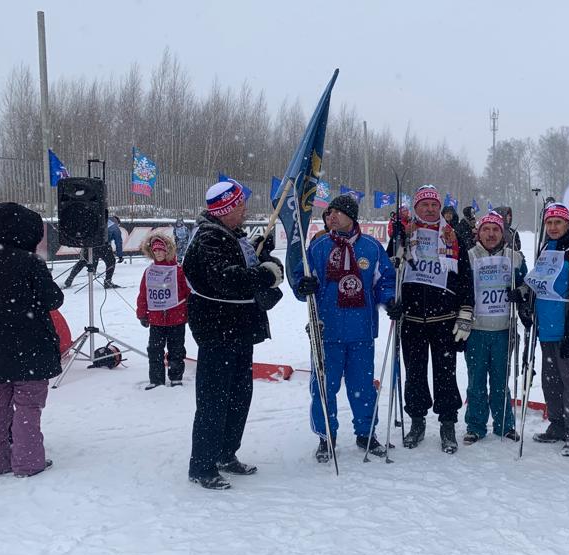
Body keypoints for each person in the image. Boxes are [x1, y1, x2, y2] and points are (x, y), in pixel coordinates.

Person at [182, 180, 284, 490]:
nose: (244, 211)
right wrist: (264, 273)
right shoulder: (208, 240)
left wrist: (263, 258)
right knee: (214, 399)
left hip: (240, 329)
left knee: (239, 397)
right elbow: (227, 279)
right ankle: (202, 465)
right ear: (225, 210)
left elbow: (249, 267)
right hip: (218, 331)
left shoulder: (232, 236)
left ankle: (226, 453)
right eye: (239, 206)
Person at [0, 202, 63, 477]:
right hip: (31, 349)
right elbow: (54, 299)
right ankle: (27, 462)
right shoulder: (31, 263)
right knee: (28, 406)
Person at [294, 194, 397, 461]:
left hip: (361, 331)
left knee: (362, 386)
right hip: (327, 331)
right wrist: (302, 286)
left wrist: (391, 299)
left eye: (337, 212)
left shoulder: (372, 248)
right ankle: (326, 436)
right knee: (324, 388)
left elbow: (384, 281)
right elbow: (301, 278)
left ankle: (366, 433)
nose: (332, 217)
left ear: (351, 216)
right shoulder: (318, 248)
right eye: (329, 213)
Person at [387, 184, 473, 454]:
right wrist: (393, 301)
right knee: (414, 373)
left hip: (444, 318)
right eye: (424, 204)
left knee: (446, 374)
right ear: (415, 208)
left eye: (434, 204)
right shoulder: (404, 234)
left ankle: (448, 423)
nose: (430, 208)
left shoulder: (453, 236)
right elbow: (390, 272)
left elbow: (465, 276)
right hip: (412, 318)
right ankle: (417, 420)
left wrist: (465, 310)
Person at [526, 203, 569, 456]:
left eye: (558, 222)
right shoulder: (546, 248)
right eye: (549, 223)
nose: (553, 227)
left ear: (568, 224)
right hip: (546, 323)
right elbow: (539, 281)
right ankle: (558, 423)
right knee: (551, 380)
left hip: (567, 325)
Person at [463, 211, 527, 444]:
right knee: (476, 380)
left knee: (500, 380)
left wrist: (519, 293)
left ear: (503, 233)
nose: (491, 234)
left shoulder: (515, 257)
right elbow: (461, 289)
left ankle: (504, 424)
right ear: (478, 232)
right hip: (477, 330)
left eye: (496, 230)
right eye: (486, 229)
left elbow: (527, 286)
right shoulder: (469, 256)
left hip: (503, 329)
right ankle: (476, 425)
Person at [136, 232, 190, 390]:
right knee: (154, 351)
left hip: (177, 318)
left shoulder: (178, 271)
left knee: (177, 350)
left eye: (161, 250)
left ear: (167, 251)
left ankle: (176, 378)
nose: (158, 253)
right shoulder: (149, 272)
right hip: (156, 320)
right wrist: (142, 314)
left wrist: (189, 312)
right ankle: (156, 379)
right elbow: (143, 294)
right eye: (155, 250)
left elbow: (187, 293)